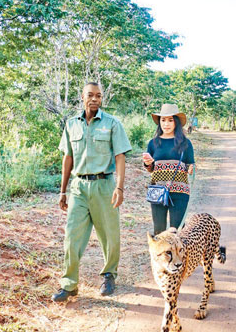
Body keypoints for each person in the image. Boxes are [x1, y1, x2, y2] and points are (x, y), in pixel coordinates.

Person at [52, 82, 132, 302]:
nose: (94, 99)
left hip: (104, 185)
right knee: (71, 236)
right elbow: (67, 158)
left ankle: (109, 275)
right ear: (82, 97)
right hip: (78, 188)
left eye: (98, 95)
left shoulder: (112, 124)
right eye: (90, 95)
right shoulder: (71, 125)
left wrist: (119, 186)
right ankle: (69, 284)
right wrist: (63, 190)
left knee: (109, 235)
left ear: (102, 98)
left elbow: (120, 156)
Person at [143, 103, 195, 236]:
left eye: (170, 120)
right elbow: (151, 168)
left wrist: (191, 169)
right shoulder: (153, 143)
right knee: (159, 231)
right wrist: (148, 163)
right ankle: (160, 257)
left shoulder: (185, 143)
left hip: (180, 192)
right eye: (163, 120)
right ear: (159, 122)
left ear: (176, 122)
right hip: (157, 191)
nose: (166, 124)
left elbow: (191, 165)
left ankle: (179, 257)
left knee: (177, 232)